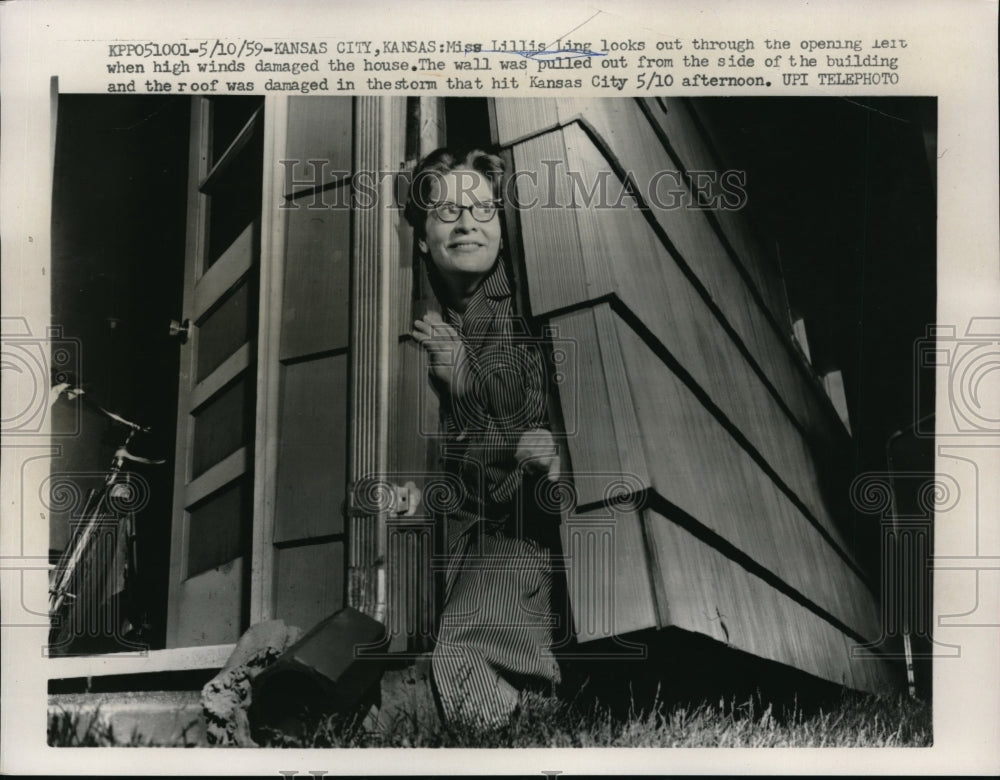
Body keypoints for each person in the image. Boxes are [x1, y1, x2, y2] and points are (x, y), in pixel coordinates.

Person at [404, 147, 561, 728]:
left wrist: (464, 377)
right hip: (465, 528)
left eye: (482, 210)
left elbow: (532, 438)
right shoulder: (435, 311)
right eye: (446, 212)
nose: (466, 222)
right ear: (421, 237)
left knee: (465, 659)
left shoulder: (520, 307)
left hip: (524, 525)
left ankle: (526, 714)